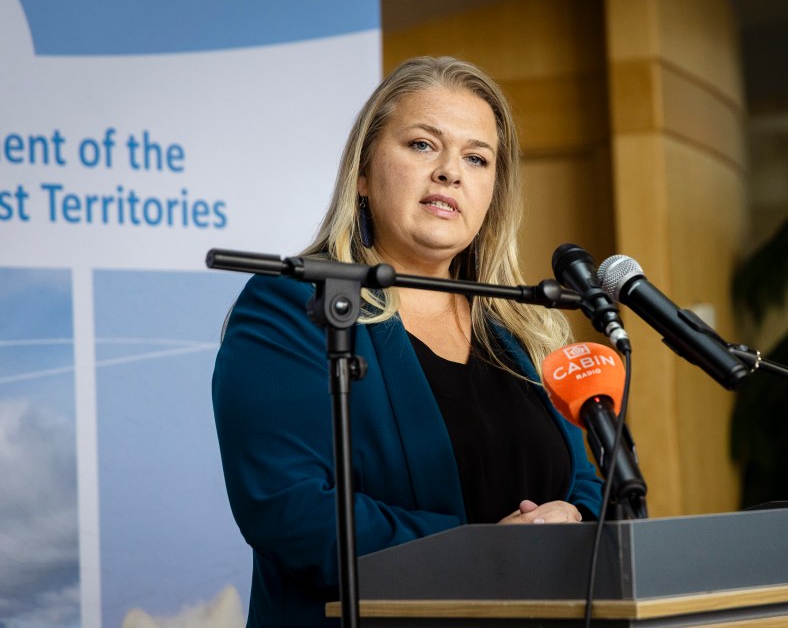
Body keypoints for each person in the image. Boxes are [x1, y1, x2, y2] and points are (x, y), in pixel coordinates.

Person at [212, 56, 603, 627]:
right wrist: (486, 552)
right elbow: (290, 509)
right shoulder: (293, 305)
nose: (450, 172)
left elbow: (588, 482)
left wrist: (569, 520)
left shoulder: (523, 330)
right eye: (423, 145)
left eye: (476, 157)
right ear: (364, 174)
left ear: (493, 190)